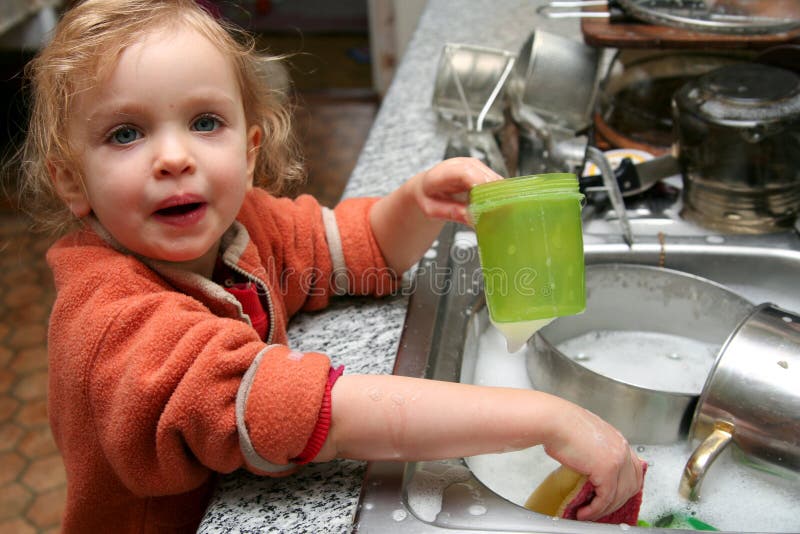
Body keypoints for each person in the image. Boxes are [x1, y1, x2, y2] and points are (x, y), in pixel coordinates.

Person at [17, 0, 644, 532]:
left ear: (250, 145)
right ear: (72, 180)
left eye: (205, 122)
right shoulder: (112, 323)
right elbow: (312, 413)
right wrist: (543, 417)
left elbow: (351, 250)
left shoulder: (244, 225)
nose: (174, 157)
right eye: (126, 134)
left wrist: (417, 201)